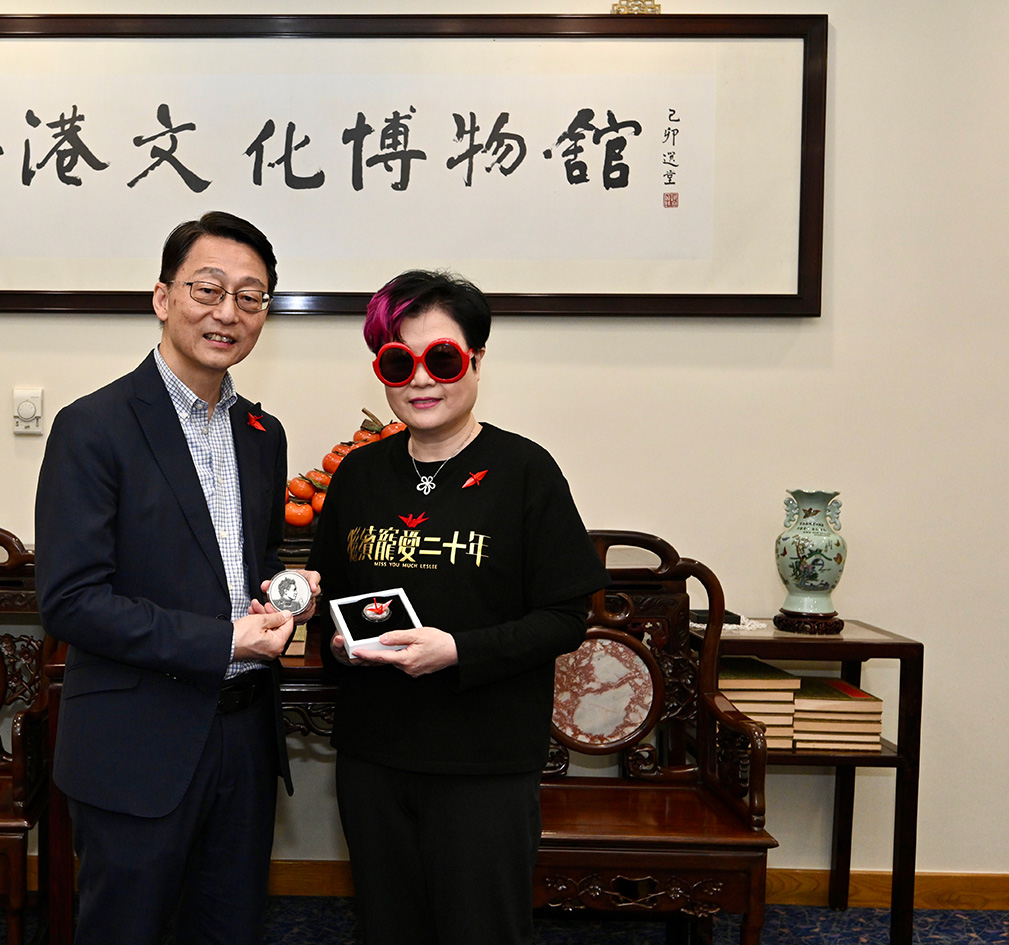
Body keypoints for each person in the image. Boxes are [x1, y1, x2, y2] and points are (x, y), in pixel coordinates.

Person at [35, 211, 320, 945]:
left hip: (244, 739)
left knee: (229, 929)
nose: (228, 312)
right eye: (208, 289)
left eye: (250, 297)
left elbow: (252, 562)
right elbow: (71, 601)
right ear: (163, 298)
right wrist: (224, 639)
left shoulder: (263, 434)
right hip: (136, 742)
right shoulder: (92, 426)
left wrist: (283, 593)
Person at [305, 269, 610, 945]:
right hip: (373, 754)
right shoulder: (358, 475)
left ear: (475, 360)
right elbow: (332, 598)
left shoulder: (525, 470)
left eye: (441, 359)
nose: (420, 379)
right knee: (386, 927)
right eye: (398, 361)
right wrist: (339, 643)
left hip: (484, 761)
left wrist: (457, 651)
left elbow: (565, 617)